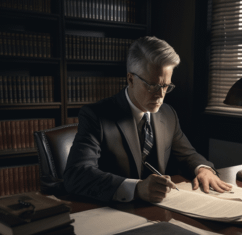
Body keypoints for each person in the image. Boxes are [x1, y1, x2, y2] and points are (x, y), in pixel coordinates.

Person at [63, 36, 231, 203]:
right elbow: (77, 174)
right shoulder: (96, 115)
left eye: (165, 86)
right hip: (112, 212)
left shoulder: (168, 113)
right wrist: (135, 188)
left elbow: (188, 155)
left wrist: (203, 169)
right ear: (130, 79)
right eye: (152, 86)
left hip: (160, 212)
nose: (160, 95)